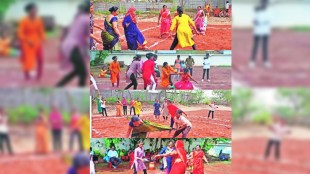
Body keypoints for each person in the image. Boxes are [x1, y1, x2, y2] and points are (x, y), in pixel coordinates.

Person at [57, 3, 88, 87]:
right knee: (82, 72)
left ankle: (59, 85)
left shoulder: (78, 17)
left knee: (79, 70)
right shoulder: (86, 19)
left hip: (68, 45)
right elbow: (88, 37)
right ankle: (79, 92)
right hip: (73, 47)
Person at [18, 2, 45, 81]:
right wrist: (27, 40)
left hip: (36, 42)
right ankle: (26, 75)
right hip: (27, 42)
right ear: (29, 11)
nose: (36, 10)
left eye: (36, 9)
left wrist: (42, 39)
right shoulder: (23, 20)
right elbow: (20, 33)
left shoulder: (39, 20)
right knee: (27, 59)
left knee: (40, 59)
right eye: (34, 9)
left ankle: (39, 75)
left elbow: (41, 31)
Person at [250, 0, 271, 68]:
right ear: (261, 3)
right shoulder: (257, 10)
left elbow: (270, 20)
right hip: (258, 31)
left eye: (266, 3)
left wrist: (265, 22)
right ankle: (252, 61)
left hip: (265, 31)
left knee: (265, 47)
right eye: (263, 2)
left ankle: (265, 61)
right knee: (256, 46)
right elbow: (254, 20)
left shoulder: (269, 11)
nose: (264, 4)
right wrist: (258, 22)